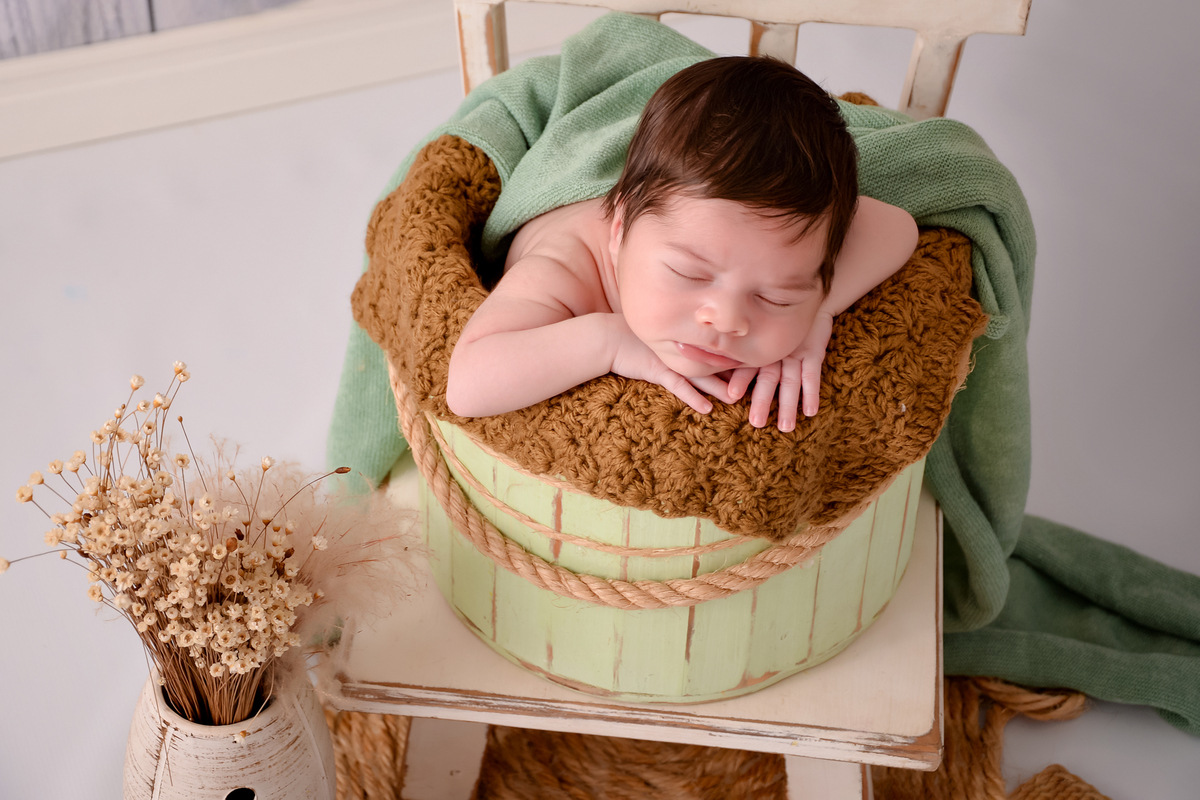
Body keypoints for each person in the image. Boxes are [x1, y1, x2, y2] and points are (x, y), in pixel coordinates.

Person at [446, 56, 917, 432]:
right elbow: (467, 383)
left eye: (776, 295)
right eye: (689, 274)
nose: (728, 321)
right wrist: (606, 341)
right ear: (619, 234)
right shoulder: (565, 269)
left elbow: (898, 227)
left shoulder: (778, 244)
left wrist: (817, 313)